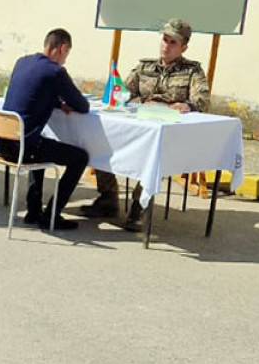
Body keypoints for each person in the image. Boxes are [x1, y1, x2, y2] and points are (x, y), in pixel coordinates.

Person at [79, 18, 210, 230]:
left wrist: (187, 105)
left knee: (151, 154)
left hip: (166, 133)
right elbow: (122, 94)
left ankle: (139, 207)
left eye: (172, 42)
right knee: (101, 137)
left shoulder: (193, 72)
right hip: (141, 124)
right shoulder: (144, 67)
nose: (165, 45)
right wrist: (125, 97)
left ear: (183, 47)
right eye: (164, 40)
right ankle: (108, 198)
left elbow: (202, 101)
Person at [0, 28, 91, 230]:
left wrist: (57, 103)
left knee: (37, 141)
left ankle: (34, 211)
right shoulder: (55, 71)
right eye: (66, 55)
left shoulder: (22, 62)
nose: (65, 60)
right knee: (80, 158)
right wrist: (65, 102)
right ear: (62, 48)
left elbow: (34, 93)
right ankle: (52, 215)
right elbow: (83, 106)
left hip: (3, 142)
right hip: (23, 147)